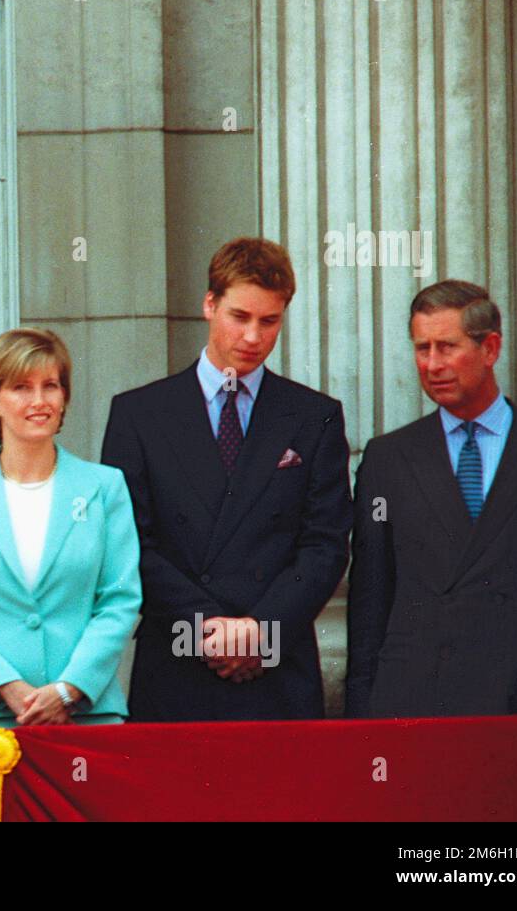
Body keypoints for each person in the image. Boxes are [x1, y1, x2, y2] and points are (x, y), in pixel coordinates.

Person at [101, 237, 352, 721]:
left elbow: (325, 544)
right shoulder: (139, 414)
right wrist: (209, 630)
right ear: (209, 305)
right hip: (177, 661)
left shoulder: (314, 416)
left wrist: (260, 633)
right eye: (240, 317)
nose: (254, 336)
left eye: (269, 321)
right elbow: (128, 542)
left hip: (277, 663)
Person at [347, 280, 517, 716]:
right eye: (422, 348)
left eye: (447, 347)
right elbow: (369, 601)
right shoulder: (388, 458)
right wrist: (361, 723)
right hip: (414, 701)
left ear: (490, 349)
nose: (432, 364)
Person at [0, 328, 141, 727]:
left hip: (87, 716)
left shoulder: (105, 488)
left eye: (50, 386)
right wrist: (8, 688)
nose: (39, 401)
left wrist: (68, 690)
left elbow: (119, 601)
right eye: (21, 387)